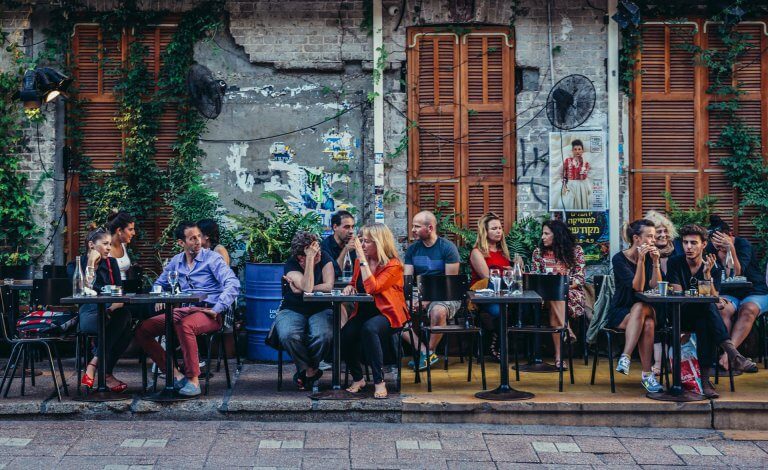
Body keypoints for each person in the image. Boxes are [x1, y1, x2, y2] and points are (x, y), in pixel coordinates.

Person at [135, 222, 240, 397]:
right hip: (184, 310)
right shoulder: (176, 261)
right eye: (192, 238)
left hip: (208, 312)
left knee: (184, 325)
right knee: (143, 330)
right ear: (181, 243)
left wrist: (218, 308)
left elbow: (233, 284)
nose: (198, 241)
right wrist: (159, 296)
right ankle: (175, 376)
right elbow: (159, 284)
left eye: (199, 236)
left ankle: (193, 381)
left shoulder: (212, 259)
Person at [666, 224, 756, 398]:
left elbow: (713, 296)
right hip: (678, 314)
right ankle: (733, 355)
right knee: (707, 308)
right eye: (685, 243)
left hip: (701, 315)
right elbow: (678, 293)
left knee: (705, 319)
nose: (688, 247)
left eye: (693, 243)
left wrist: (707, 276)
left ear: (703, 245)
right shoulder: (675, 262)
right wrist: (707, 296)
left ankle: (705, 381)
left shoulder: (712, 265)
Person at [342, 223, 409, 399]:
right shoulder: (359, 262)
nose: (363, 245)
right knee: (345, 334)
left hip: (388, 314)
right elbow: (356, 282)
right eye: (361, 241)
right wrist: (350, 287)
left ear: (379, 243)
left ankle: (379, 382)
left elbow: (372, 287)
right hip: (364, 312)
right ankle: (358, 378)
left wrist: (362, 260)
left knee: (369, 329)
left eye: (367, 242)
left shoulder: (393, 265)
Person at [273, 231, 335, 390]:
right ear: (301, 257)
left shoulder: (325, 258)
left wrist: (301, 289)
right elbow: (308, 286)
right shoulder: (291, 264)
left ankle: (305, 372)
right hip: (293, 308)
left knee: (323, 335)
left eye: (317, 249)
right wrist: (310, 261)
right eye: (313, 252)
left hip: (321, 308)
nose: (318, 253)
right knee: (288, 334)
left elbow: (328, 286)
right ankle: (310, 371)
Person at [607, 219, 663, 393]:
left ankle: (626, 356)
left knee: (640, 307)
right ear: (637, 238)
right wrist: (640, 261)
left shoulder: (651, 258)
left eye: (654, 237)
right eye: (650, 236)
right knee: (647, 323)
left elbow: (656, 287)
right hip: (622, 311)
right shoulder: (619, 259)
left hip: (649, 307)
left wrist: (655, 263)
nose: (653, 240)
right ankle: (647, 375)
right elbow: (637, 287)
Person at [401, 211, 461, 371]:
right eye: (413, 225)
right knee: (393, 310)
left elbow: (450, 283)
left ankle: (430, 351)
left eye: (417, 226)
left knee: (438, 312)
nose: (412, 229)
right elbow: (407, 279)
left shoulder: (448, 248)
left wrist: (425, 300)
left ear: (430, 228)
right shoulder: (412, 250)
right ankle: (424, 351)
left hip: (445, 293)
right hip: (419, 291)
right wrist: (408, 298)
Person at [707, 215, 765, 373]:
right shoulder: (710, 249)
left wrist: (730, 249)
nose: (718, 246)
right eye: (715, 243)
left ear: (730, 235)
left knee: (748, 310)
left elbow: (737, 273)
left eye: (721, 241)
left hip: (754, 291)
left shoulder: (743, 244)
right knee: (721, 310)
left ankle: (727, 356)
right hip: (729, 293)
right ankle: (732, 357)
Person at [78, 226, 133, 393]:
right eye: (105, 244)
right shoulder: (77, 263)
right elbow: (82, 291)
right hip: (89, 314)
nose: (109, 248)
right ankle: (106, 374)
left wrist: (110, 310)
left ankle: (94, 364)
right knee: (122, 327)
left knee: (125, 317)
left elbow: (120, 295)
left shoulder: (112, 263)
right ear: (91, 245)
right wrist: (90, 263)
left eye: (110, 244)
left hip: (111, 313)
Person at [531, 219, 586, 369]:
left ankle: (559, 356)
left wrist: (560, 288)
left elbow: (579, 279)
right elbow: (536, 276)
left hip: (571, 294)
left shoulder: (576, 251)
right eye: (543, 233)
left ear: (557, 235)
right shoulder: (538, 252)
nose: (542, 237)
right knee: (554, 295)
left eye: (546, 233)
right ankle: (566, 329)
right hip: (544, 295)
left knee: (557, 297)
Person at [469, 212, 511, 361]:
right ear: (484, 232)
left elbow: (509, 279)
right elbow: (488, 278)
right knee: (498, 310)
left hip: (503, 294)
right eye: (494, 228)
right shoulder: (477, 252)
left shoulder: (503, 252)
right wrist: (508, 273)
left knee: (523, 309)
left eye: (500, 228)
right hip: (483, 295)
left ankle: (500, 344)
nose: (499, 231)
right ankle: (495, 345)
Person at [644, 209, 679, 375]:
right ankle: (659, 362)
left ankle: (673, 360)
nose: (663, 235)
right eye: (658, 232)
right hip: (654, 301)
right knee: (658, 314)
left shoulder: (678, 251)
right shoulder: (645, 255)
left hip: (676, 299)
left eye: (666, 231)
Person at [320, 210, 356, 279]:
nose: (351, 231)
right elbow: (333, 274)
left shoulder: (354, 245)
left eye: (352, 227)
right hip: (333, 287)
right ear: (335, 227)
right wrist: (346, 250)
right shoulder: (325, 247)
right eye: (347, 227)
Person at [560, 139, 592, 210]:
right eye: (575, 149)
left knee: (581, 204)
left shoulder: (585, 163)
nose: (577, 151)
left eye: (579, 149)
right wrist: (564, 185)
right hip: (570, 184)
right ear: (572, 150)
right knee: (570, 203)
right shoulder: (567, 161)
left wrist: (583, 162)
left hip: (581, 185)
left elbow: (582, 176)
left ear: (582, 150)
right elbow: (563, 174)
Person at [106, 211, 136, 281]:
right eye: (130, 229)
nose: (134, 233)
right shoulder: (105, 248)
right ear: (119, 230)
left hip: (126, 289)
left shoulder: (124, 245)